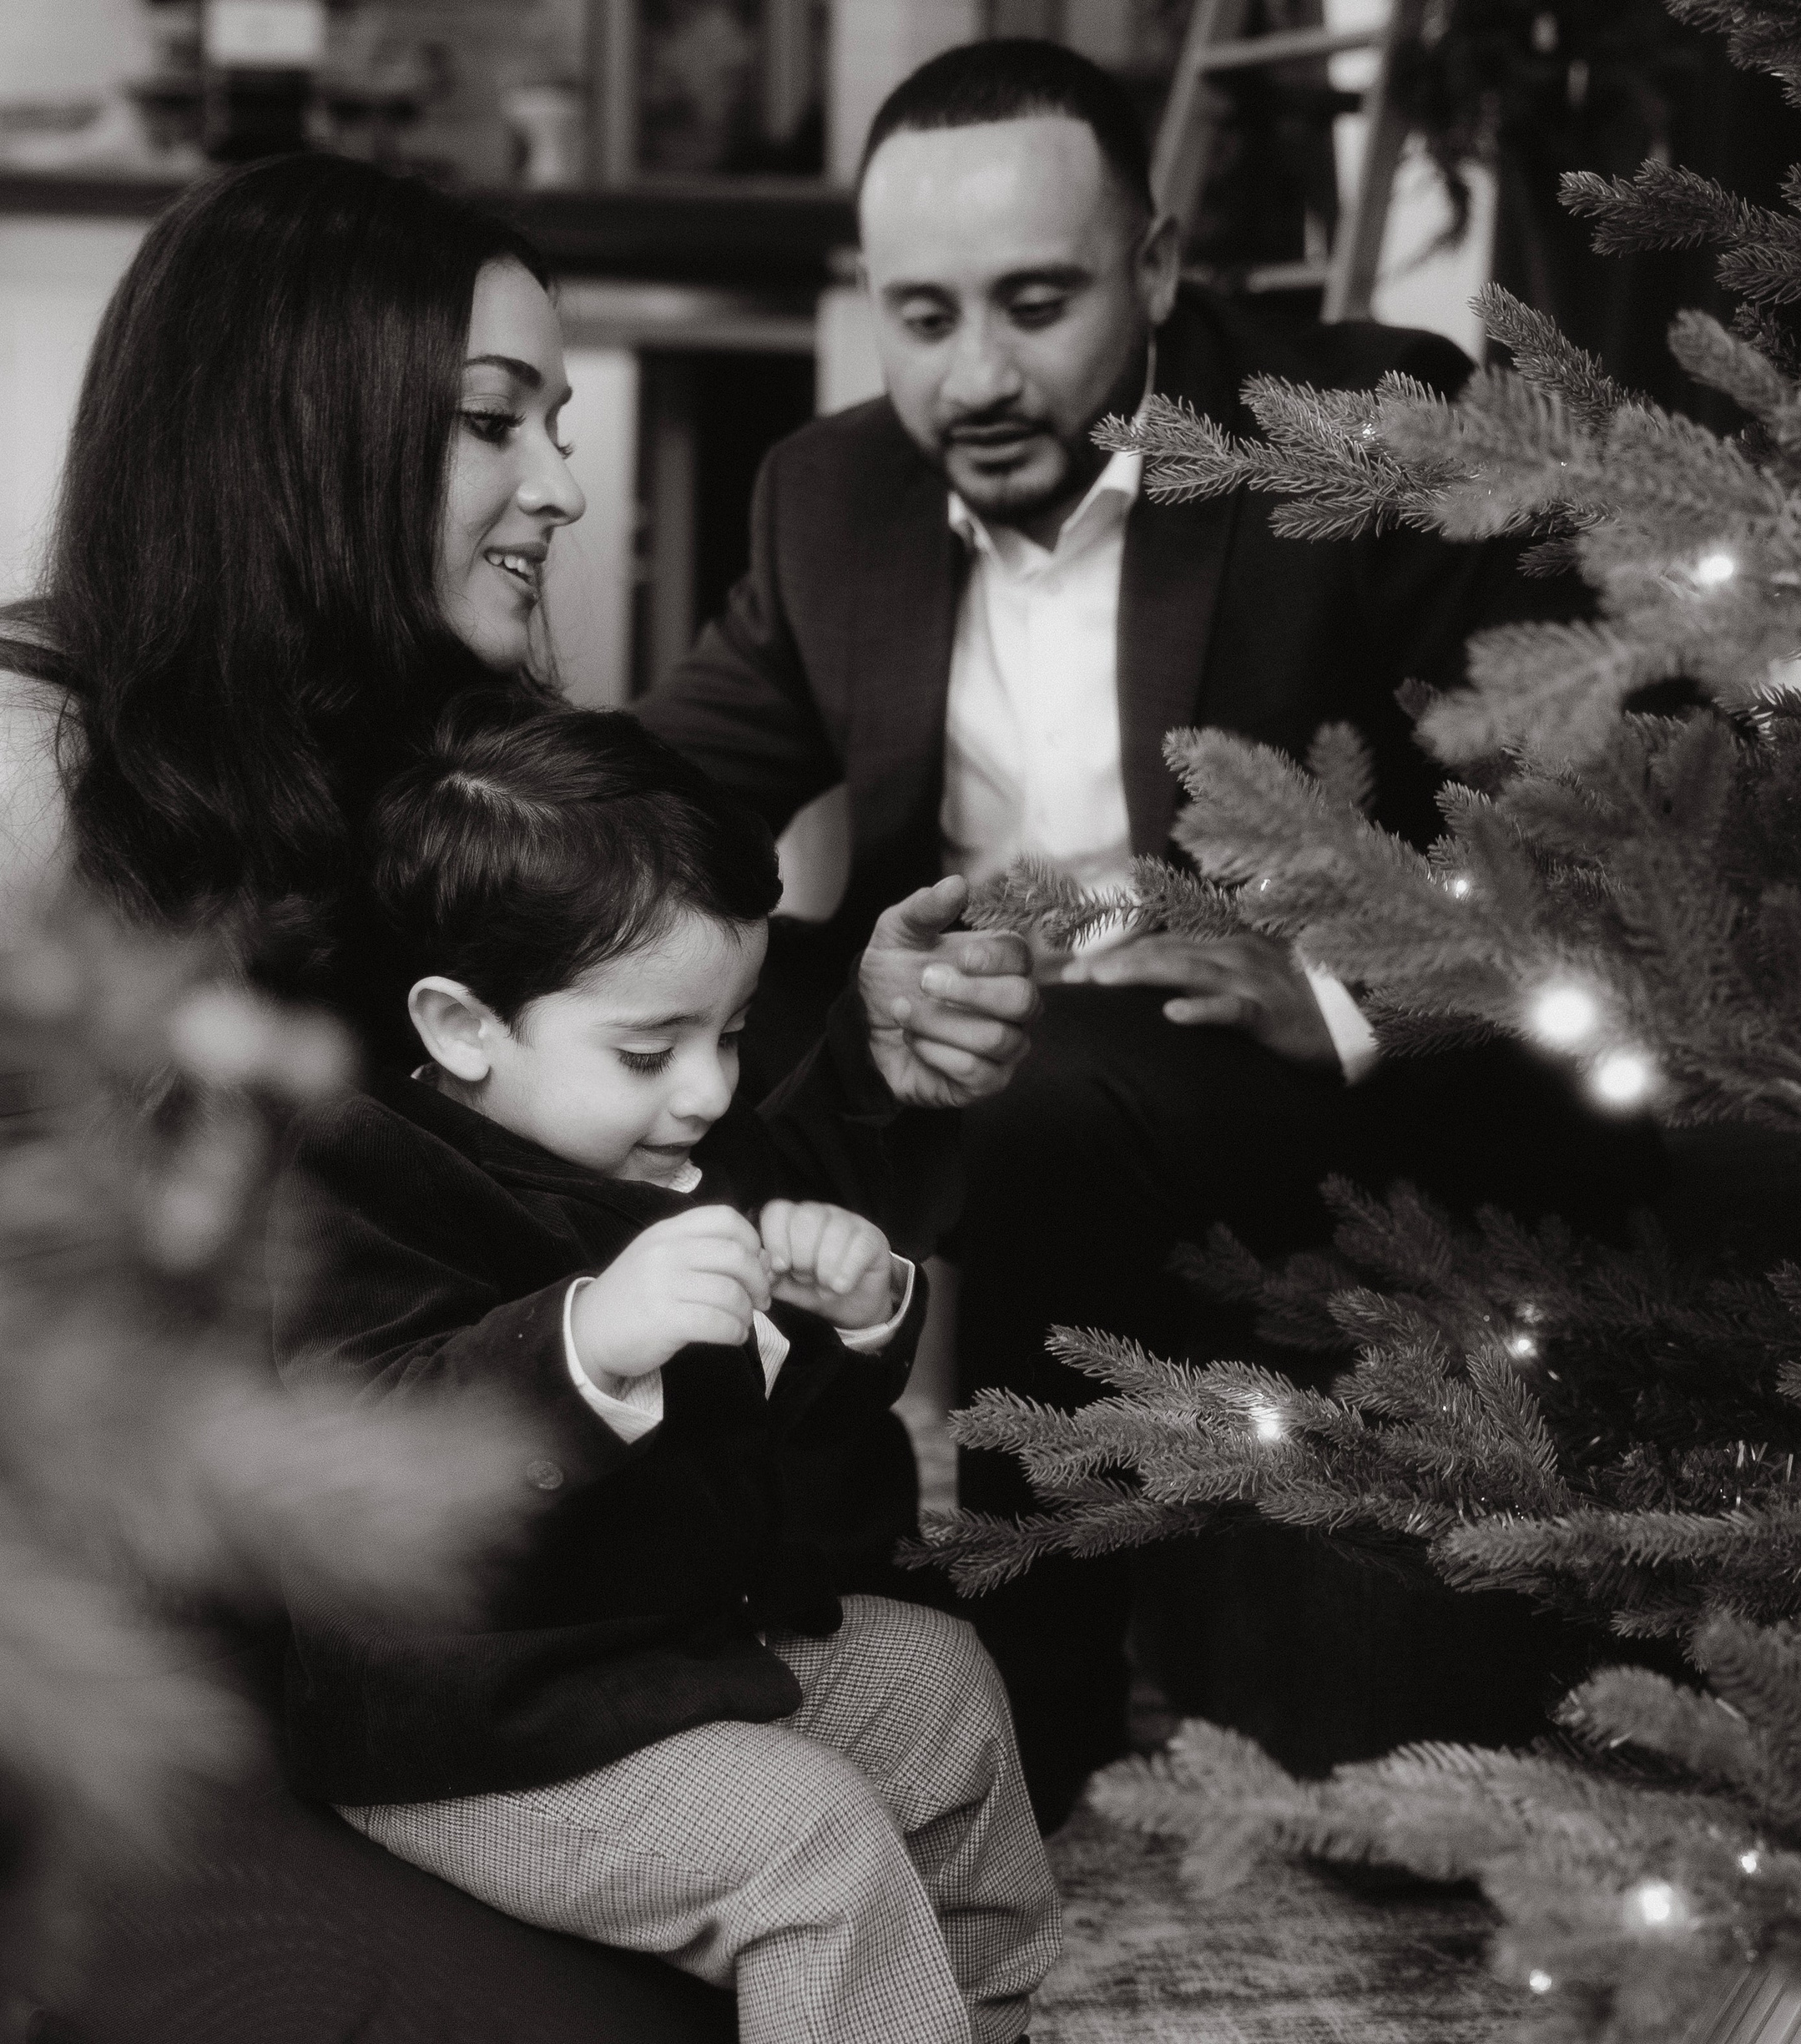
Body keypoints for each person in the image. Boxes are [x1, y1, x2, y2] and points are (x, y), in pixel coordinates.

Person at [0, 154, 1041, 2044]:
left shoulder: (427, 767)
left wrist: (862, 1069)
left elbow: (588, 1210)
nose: (562, 479)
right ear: (307, 427)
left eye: (554, 420)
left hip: (350, 1645)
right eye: (502, 419)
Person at [635, 38, 1661, 1820]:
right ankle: (777, 1614)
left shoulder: (1343, 438)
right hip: (959, 1026)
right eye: (920, 316)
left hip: (1278, 1064)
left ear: (1161, 266)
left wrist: (1344, 985)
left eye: (1033, 304)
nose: (972, 375)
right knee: (669, 1058)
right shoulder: (829, 499)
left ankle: (1032, 1729)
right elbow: (662, 797)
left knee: (1043, 1101)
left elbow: (1589, 795)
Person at [282, 690, 1271, 2044]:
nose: (715, 1091)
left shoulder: (658, 1152)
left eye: (734, 1031)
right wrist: (579, 1344)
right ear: (458, 1026)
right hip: (464, 1717)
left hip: (649, 1653)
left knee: (938, 1689)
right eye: (653, 1045)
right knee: (801, 1834)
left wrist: (858, 1317)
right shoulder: (351, 1181)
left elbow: (796, 1511)